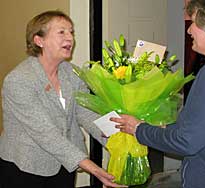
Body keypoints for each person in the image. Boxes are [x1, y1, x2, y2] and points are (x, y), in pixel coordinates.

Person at [111, 0, 205, 187]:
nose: (189, 30)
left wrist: (138, 129)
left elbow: (186, 141)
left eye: (193, 22)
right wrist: (160, 128)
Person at [0, 10, 126, 188]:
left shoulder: (72, 73)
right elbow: (45, 133)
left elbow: (85, 113)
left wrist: (120, 136)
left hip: (64, 165)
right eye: (62, 32)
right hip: (27, 165)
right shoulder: (19, 80)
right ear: (39, 40)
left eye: (71, 32)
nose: (70, 38)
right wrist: (93, 168)